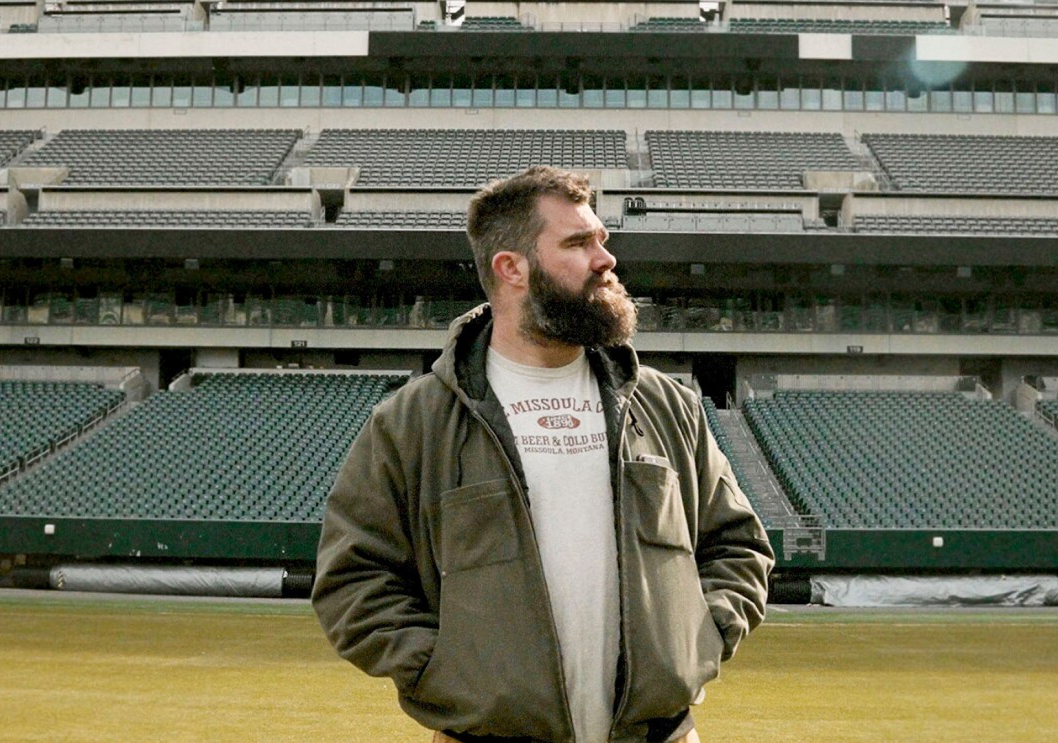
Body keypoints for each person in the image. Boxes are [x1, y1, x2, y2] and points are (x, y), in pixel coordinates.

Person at [312, 166, 774, 743]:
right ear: (512, 268)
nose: (605, 259)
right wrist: (444, 670)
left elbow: (738, 544)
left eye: (602, 240)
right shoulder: (414, 421)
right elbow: (353, 577)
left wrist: (701, 637)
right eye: (579, 243)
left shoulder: (665, 404)